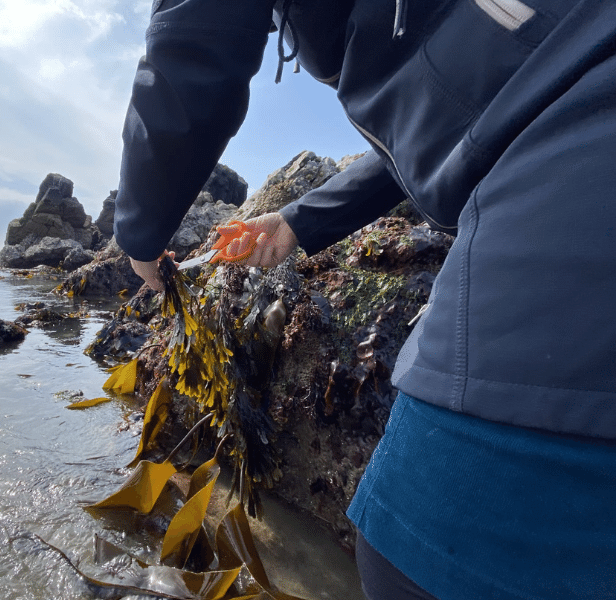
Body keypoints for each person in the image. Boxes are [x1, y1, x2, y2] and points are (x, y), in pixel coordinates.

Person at [112, 0, 616, 598]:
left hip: (579, 127)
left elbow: (197, 34)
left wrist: (141, 228)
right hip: (547, 121)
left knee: (419, 552)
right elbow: (433, 130)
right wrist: (297, 221)